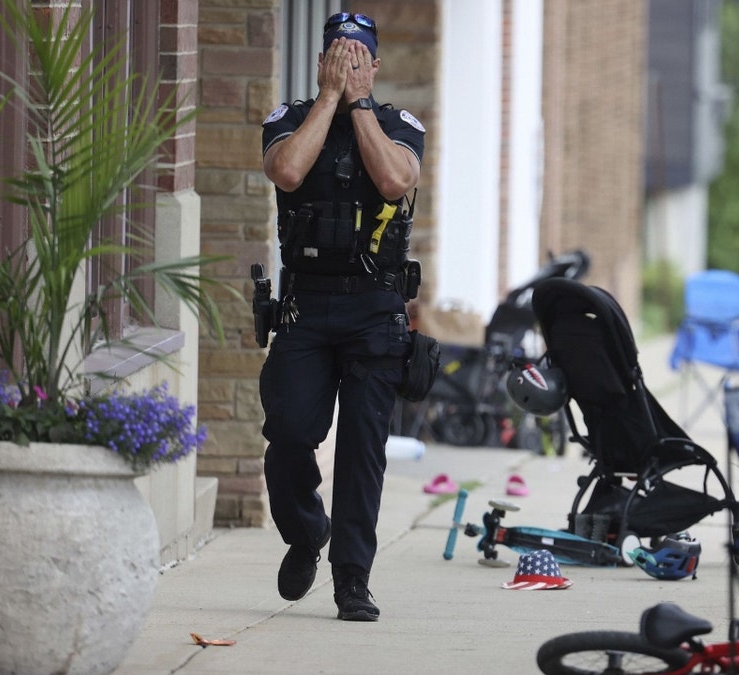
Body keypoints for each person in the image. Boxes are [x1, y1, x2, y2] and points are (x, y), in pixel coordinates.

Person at [258, 12, 425, 622]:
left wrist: (356, 104)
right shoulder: (288, 119)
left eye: (360, 56)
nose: (349, 63)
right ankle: (307, 534)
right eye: (338, 54)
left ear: (376, 65)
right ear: (323, 60)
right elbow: (288, 171)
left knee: (362, 450)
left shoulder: (397, 125)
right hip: (306, 306)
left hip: (374, 310)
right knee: (289, 435)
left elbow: (391, 179)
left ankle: (353, 579)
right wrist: (329, 98)